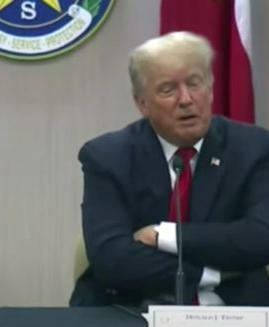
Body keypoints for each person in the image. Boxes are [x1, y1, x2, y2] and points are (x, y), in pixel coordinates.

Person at [69, 31, 269, 307]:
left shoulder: (254, 148)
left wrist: (163, 235)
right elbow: (111, 259)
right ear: (142, 104)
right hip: (131, 305)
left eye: (194, 83)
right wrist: (211, 274)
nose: (186, 99)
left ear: (210, 89)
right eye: (168, 89)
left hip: (235, 307)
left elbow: (260, 238)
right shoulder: (106, 157)